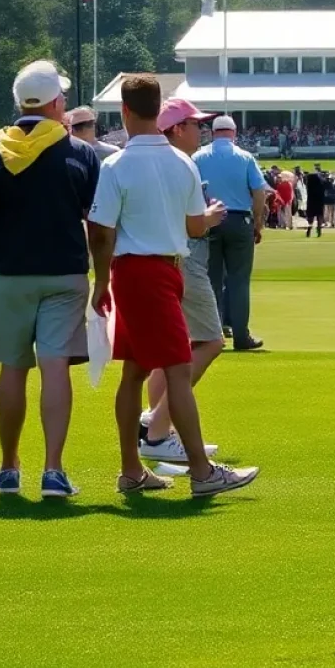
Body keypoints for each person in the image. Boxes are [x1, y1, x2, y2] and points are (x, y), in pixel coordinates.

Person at [88, 75, 258, 497]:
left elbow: (101, 231)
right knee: (178, 371)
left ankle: (132, 471)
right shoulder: (183, 163)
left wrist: (102, 279)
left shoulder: (116, 165)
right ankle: (201, 472)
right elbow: (192, 225)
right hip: (161, 270)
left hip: (132, 271)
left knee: (135, 371)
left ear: (125, 112)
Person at [0, 61, 98, 493]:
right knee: (55, 366)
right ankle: (54, 471)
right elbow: (96, 221)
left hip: (11, 272)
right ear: (58, 103)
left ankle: (8, 468)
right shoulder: (78, 150)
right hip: (64, 271)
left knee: (13, 368)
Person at [137, 98, 229, 464]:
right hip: (184, 259)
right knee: (210, 342)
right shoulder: (181, 164)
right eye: (194, 124)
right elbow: (188, 223)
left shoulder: (151, 161)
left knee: (171, 348)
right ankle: (158, 431)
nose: (200, 130)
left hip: (159, 262)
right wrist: (209, 216)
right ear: (176, 129)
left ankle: (156, 426)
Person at [192, 114, 265, 351]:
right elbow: (259, 192)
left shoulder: (199, 156)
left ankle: (212, 334)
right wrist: (257, 223)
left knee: (211, 279)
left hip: (209, 219)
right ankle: (241, 335)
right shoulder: (245, 157)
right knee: (239, 280)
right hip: (238, 219)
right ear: (233, 133)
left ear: (213, 133)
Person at [305, 163, 325, 237]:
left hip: (311, 201)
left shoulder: (309, 182)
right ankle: (319, 229)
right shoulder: (321, 182)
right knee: (319, 215)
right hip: (319, 200)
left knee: (311, 216)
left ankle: (309, 228)